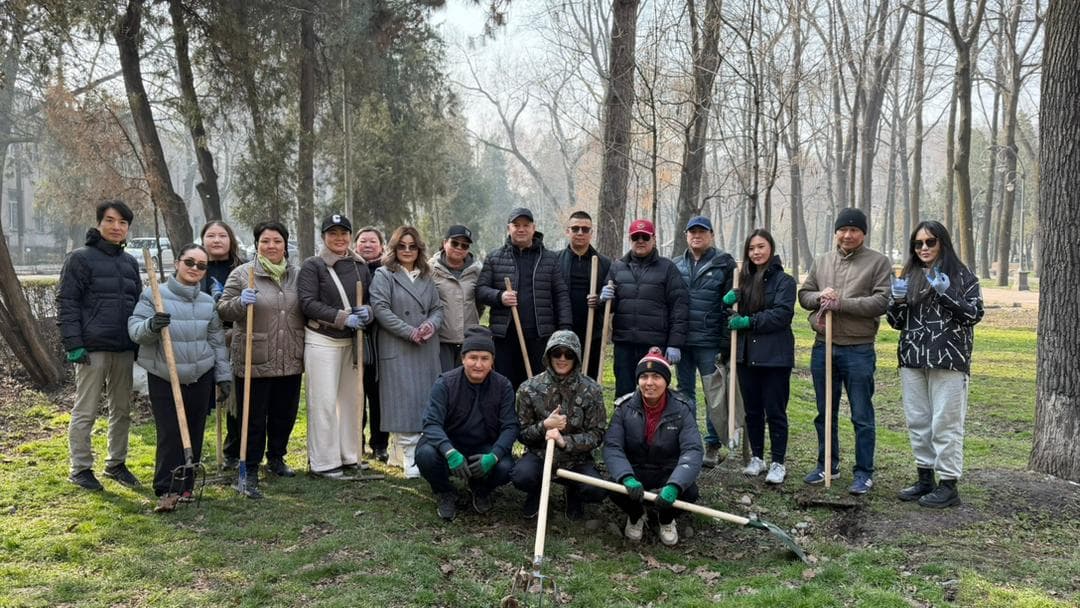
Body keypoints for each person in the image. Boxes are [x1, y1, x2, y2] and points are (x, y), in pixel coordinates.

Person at [127, 244, 231, 511]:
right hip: (164, 374)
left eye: (201, 265)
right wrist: (151, 326)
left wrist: (223, 377)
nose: (195, 268)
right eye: (190, 262)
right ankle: (165, 487)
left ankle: (186, 485)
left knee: (195, 429)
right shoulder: (154, 295)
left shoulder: (208, 302)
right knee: (170, 431)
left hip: (200, 374)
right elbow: (135, 331)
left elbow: (217, 343)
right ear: (177, 263)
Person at [887, 221, 983, 508]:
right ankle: (925, 478)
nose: (924, 248)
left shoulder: (962, 276)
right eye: (919, 244)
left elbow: (974, 314)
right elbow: (895, 323)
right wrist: (898, 302)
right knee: (918, 421)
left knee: (945, 423)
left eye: (930, 242)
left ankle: (949, 484)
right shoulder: (910, 274)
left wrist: (946, 293)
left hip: (948, 359)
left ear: (942, 242)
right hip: (913, 358)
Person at [798, 208, 891, 495]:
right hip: (824, 347)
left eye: (854, 230)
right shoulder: (823, 260)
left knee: (861, 414)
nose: (848, 235)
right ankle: (828, 464)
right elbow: (804, 295)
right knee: (825, 412)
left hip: (858, 349)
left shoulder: (878, 262)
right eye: (843, 229)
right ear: (836, 232)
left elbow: (881, 302)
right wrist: (819, 302)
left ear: (863, 233)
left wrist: (843, 304)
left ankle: (864, 472)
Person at [57, 200, 143, 491]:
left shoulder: (130, 263)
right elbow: (67, 302)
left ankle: (116, 463)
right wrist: (73, 343)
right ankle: (80, 467)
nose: (116, 227)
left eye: (122, 223)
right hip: (91, 348)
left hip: (123, 347)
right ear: (98, 223)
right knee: (86, 409)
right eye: (110, 220)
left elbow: (138, 305)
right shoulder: (79, 259)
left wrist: (140, 342)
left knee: (121, 409)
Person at [217, 221, 306, 498]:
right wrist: (239, 303)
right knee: (253, 418)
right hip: (255, 357)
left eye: (277, 241)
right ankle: (250, 467)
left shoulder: (298, 275)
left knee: (284, 413)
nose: (271, 246)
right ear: (257, 244)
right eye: (265, 241)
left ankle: (276, 458)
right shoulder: (243, 274)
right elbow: (222, 310)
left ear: (285, 245)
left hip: (289, 356)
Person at [297, 214, 375, 479]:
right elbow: (307, 302)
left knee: (351, 401)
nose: (339, 239)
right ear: (323, 237)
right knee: (325, 402)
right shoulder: (313, 266)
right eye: (333, 234)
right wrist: (343, 317)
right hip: (323, 340)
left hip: (352, 342)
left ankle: (351, 455)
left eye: (343, 233)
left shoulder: (360, 266)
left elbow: (371, 298)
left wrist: (368, 312)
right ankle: (324, 461)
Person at [416, 326, 519, 520]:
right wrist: (449, 451)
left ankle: (481, 489)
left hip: (484, 444)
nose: (478, 364)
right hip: (450, 443)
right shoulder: (445, 383)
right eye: (473, 357)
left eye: (484, 358)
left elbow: (510, 426)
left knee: (506, 467)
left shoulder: (503, 385)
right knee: (425, 455)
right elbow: (431, 423)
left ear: (492, 361)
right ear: (463, 358)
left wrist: (494, 456)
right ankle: (445, 492)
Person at [603, 348, 703, 546]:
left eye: (656, 376)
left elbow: (693, 450)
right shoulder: (624, 408)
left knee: (690, 492)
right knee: (612, 487)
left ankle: (665, 518)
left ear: (666, 381)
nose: (649, 383)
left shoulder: (682, 409)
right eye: (644, 376)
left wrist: (675, 485)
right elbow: (612, 446)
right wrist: (626, 477)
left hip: (667, 471)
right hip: (636, 472)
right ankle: (636, 514)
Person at [370, 226, 444, 478]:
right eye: (402, 246)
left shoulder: (427, 275)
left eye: (412, 246)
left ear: (419, 249)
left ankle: (416, 452)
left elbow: (437, 308)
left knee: (425, 398)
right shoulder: (384, 274)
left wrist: (430, 325)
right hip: (398, 345)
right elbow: (380, 309)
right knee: (402, 401)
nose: (407, 251)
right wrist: (409, 331)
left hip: (425, 346)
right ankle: (409, 456)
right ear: (393, 248)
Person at [512, 330, 607, 520]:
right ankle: (537, 492)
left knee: (596, 490)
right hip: (539, 456)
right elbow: (521, 433)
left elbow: (597, 434)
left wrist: (565, 441)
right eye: (557, 353)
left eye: (569, 354)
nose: (562, 359)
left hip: (577, 460)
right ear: (548, 355)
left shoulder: (591, 390)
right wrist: (544, 426)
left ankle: (573, 492)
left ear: (576, 357)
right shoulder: (528, 388)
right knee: (521, 476)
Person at [725, 229, 795, 484]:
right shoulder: (742, 282)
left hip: (774, 357)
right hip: (747, 356)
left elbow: (781, 315)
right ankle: (757, 457)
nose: (756, 252)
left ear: (771, 249)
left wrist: (748, 321)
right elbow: (730, 319)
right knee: (752, 411)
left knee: (775, 411)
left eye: (761, 247)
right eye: (752, 248)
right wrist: (728, 304)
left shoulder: (785, 282)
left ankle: (778, 462)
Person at [475, 207, 572, 389]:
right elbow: (480, 290)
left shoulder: (549, 259)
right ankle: (508, 417)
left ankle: (537, 418)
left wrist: (564, 330)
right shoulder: (494, 258)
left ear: (533, 228)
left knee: (539, 385)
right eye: (516, 225)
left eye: (526, 225)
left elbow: (561, 295)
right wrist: (500, 296)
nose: (521, 229)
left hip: (540, 336)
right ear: (508, 228)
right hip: (505, 337)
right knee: (505, 384)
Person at [673, 215, 739, 467]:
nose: (696, 236)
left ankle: (712, 444)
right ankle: (690, 442)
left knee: (713, 393)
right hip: (683, 340)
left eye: (702, 231)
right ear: (686, 236)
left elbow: (730, 307)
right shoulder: (677, 264)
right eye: (692, 232)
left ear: (711, 234)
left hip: (709, 341)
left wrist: (724, 341)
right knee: (685, 392)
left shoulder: (724, 264)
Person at [600, 219, 689, 398]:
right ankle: (623, 426)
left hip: (653, 343)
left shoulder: (667, 268)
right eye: (635, 237)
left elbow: (679, 307)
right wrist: (605, 299)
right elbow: (609, 308)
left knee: (653, 393)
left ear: (653, 239)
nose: (640, 240)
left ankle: (653, 427)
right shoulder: (617, 267)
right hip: (624, 343)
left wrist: (674, 343)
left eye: (645, 237)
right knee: (624, 393)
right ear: (630, 239)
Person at [198, 220, 245, 469]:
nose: (216, 240)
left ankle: (233, 451)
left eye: (222, 235)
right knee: (205, 398)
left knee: (236, 399)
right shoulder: (195, 266)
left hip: (235, 337)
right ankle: (193, 451)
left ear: (231, 240)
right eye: (211, 235)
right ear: (203, 239)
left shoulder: (242, 268)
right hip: (203, 339)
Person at [556, 211, 611, 380]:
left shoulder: (604, 263)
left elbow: (611, 300)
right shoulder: (555, 261)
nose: (580, 232)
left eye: (585, 229)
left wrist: (601, 300)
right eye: (575, 228)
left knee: (589, 378)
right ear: (568, 231)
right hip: (562, 331)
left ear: (591, 233)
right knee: (562, 379)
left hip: (592, 334)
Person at [354, 226, 389, 462]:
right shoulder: (349, 268)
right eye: (363, 241)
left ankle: (380, 444)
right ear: (355, 245)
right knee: (355, 394)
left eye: (373, 241)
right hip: (353, 339)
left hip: (380, 341)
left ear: (381, 246)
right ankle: (356, 442)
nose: (367, 245)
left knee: (378, 396)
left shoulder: (387, 270)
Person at [430, 225, 483, 372]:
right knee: (444, 382)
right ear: (444, 242)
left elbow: (480, 303)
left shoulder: (477, 271)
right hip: (441, 340)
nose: (459, 248)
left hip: (468, 339)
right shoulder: (429, 270)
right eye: (455, 243)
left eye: (465, 245)